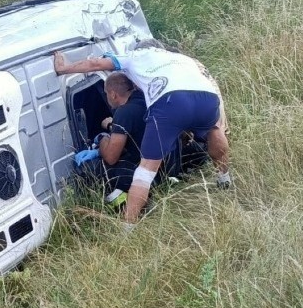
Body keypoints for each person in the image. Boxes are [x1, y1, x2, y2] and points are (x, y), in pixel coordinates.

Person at [54, 39, 231, 224]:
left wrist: (63, 68)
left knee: (145, 169)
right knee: (214, 130)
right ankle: (224, 177)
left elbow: (95, 63)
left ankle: (128, 224)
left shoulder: (134, 57)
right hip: (207, 95)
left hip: (171, 100)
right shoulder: (179, 57)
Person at [74, 72, 147, 207]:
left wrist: (102, 138)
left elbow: (110, 157)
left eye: (106, 93)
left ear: (113, 94)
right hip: (159, 167)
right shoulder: (142, 100)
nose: (107, 96)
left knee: (88, 169)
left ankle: (113, 207)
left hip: (142, 174)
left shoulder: (124, 112)